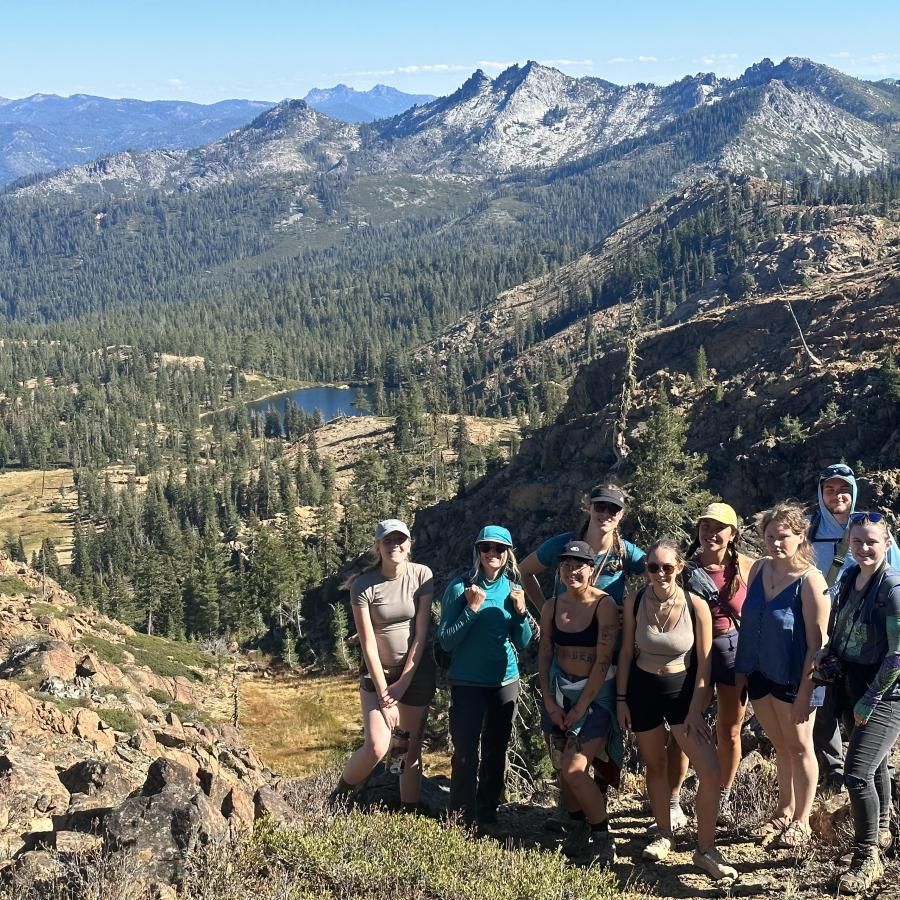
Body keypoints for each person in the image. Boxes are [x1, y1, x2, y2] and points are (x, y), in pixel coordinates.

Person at [520, 482, 644, 830]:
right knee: (563, 748)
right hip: (566, 654)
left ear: (621, 516)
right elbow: (525, 569)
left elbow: (658, 575)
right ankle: (573, 816)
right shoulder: (562, 545)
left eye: (613, 509)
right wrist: (545, 608)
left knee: (595, 750)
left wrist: (630, 613)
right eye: (600, 506)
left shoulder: (626, 552)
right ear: (588, 507)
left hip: (605, 657)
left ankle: (592, 819)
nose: (605, 514)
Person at [617, 539, 737, 881]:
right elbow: (626, 653)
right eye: (653, 567)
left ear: (680, 568)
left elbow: (705, 662)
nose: (660, 574)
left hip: (682, 692)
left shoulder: (695, 605)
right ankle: (663, 832)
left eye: (667, 567)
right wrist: (622, 699)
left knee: (710, 770)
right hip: (643, 690)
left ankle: (705, 848)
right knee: (654, 764)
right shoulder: (635, 601)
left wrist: (698, 707)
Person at [734, 502, 830, 849]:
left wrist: (806, 692)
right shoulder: (759, 570)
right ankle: (783, 809)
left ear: (800, 536)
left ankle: (802, 821)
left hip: (795, 680)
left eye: (784, 536)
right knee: (780, 746)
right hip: (760, 675)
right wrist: (742, 672)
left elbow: (818, 647)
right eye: (770, 536)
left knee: (801, 747)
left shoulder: (811, 581)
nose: (776, 542)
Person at [818, 512, 900, 895]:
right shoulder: (851, 578)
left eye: (871, 541)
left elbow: (898, 656)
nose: (864, 548)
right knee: (876, 764)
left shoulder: (893, 589)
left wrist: (870, 699)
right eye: (857, 542)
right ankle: (883, 829)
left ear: (887, 544)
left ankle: (866, 856)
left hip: (884, 694)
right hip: (851, 683)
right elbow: (840, 626)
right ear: (848, 544)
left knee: (855, 772)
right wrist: (826, 656)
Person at [331, 519, 435, 810]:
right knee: (377, 745)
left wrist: (403, 682)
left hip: (415, 672)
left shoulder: (422, 575)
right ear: (377, 546)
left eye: (400, 540)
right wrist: (386, 694)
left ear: (409, 544)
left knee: (408, 746)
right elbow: (367, 645)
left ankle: (407, 811)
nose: (395, 546)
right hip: (378, 673)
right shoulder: (363, 585)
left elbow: (421, 635)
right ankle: (338, 798)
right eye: (388, 541)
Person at [809, 464, 900, 791]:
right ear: (821, 494)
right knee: (823, 706)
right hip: (827, 636)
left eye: (843, 489)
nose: (837, 496)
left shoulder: (870, 528)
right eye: (829, 490)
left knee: (865, 717)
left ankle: (877, 774)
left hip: (873, 644)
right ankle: (833, 772)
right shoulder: (810, 531)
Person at [438, 525, 533, 827]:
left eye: (499, 549)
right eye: (486, 548)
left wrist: (520, 612)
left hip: (505, 682)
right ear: (477, 551)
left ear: (507, 554)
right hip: (467, 683)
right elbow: (446, 640)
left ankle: (488, 813)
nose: (492, 554)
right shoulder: (459, 588)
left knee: (496, 750)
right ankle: (461, 819)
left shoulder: (513, 589)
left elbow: (524, 641)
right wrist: (471, 609)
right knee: (465, 753)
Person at [538, 540, 619, 865]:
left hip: (594, 697)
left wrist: (582, 706)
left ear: (591, 569)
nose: (573, 571)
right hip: (559, 693)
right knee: (564, 769)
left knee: (574, 769)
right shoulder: (551, 607)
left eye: (580, 565)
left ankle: (602, 834)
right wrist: (550, 701)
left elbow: (602, 661)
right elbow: (545, 654)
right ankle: (576, 826)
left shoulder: (604, 605)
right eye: (567, 565)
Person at [680, 502, 754, 825]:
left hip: (732, 651)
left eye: (718, 528)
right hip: (692, 651)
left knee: (730, 730)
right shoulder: (682, 569)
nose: (710, 534)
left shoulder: (748, 568)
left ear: (733, 534)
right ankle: (673, 800)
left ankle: (721, 797)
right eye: (705, 527)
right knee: (684, 726)